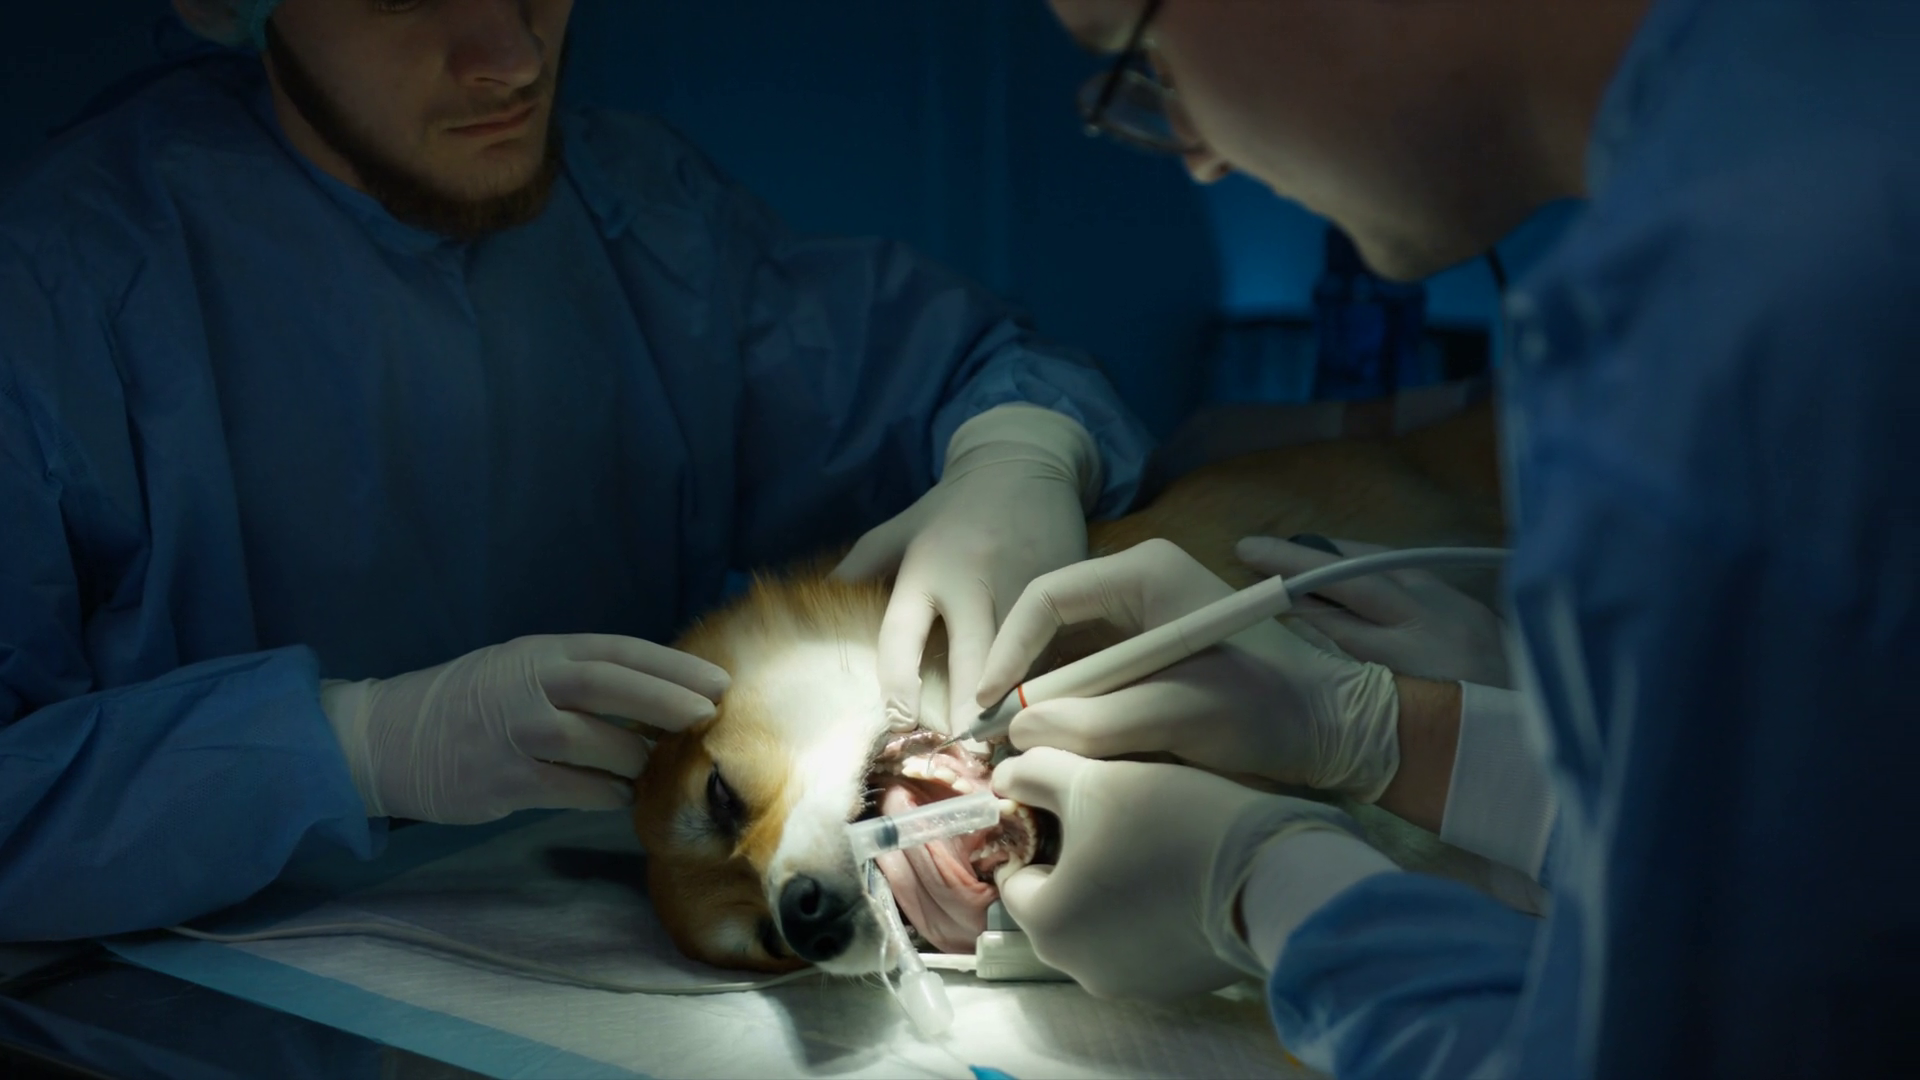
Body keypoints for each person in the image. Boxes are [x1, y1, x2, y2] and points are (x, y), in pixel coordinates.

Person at [0, 0, 1150, 941]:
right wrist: (350, 750)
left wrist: (1020, 450)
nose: (511, 55)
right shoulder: (64, 291)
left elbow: (985, 369)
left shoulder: (641, 220)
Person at [983, 0, 1918, 1075]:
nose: (1193, 152)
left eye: (1143, 54)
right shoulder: (1838, 116)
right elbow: (1819, 875)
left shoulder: (1738, 342)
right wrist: (1385, 733)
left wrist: (1272, 889)